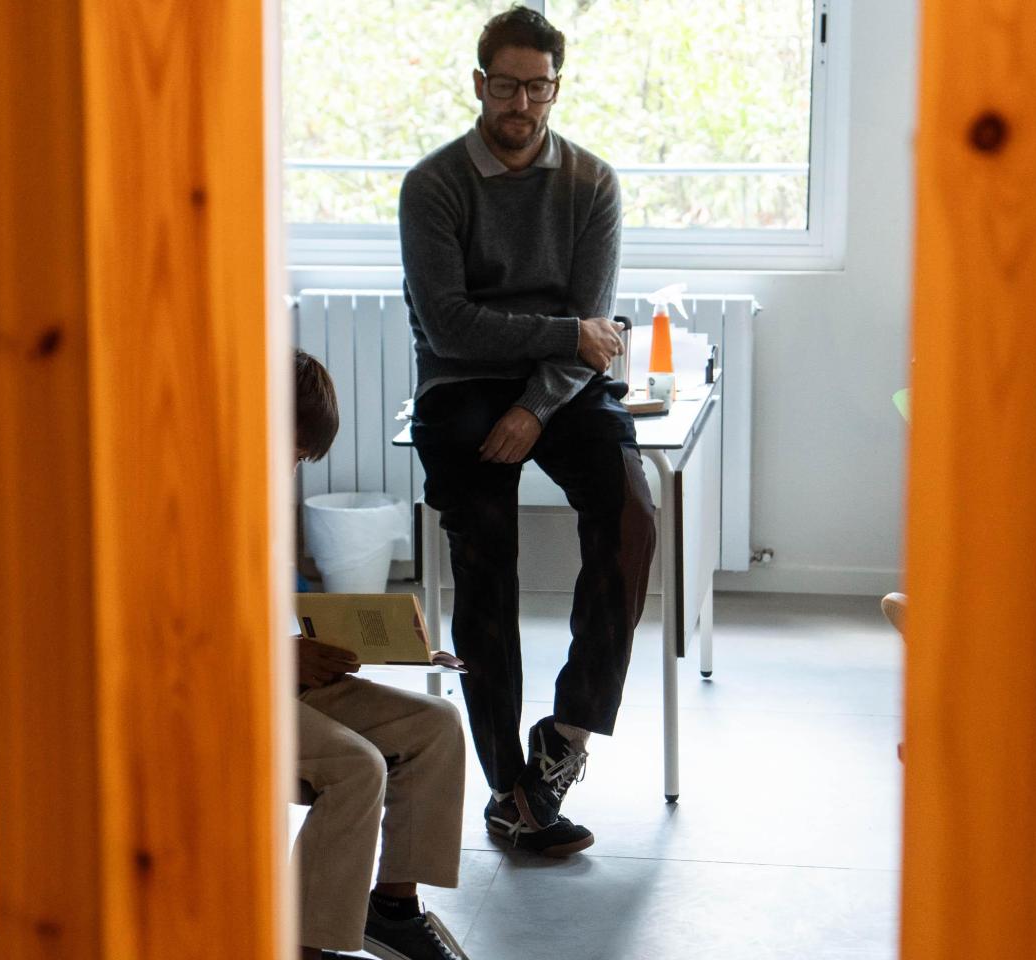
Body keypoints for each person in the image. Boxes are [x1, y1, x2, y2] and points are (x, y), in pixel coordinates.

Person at [399, 6, 656, 857]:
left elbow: (594, 329)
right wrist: (561, 338)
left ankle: (566, 738)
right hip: (461, 383)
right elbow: (450, 326)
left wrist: (537, 404)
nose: (520, 102)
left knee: (632, 515)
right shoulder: (433, 186)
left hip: (559, 389)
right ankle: (509, 786)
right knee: (485, 559)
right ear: (479, 84)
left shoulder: (591, 182)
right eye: (504, 85)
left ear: (556, 87)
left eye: (536, 87)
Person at [290, 350, 473, 960]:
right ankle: (305, 944)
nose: (290, 469)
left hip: (280, 675)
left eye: (299, 459)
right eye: (289, 452)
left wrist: (386, 645)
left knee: (436, 724)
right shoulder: (191, 498)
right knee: (356, 766)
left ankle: (393, 908)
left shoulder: (259, 498)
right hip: (223, 692)